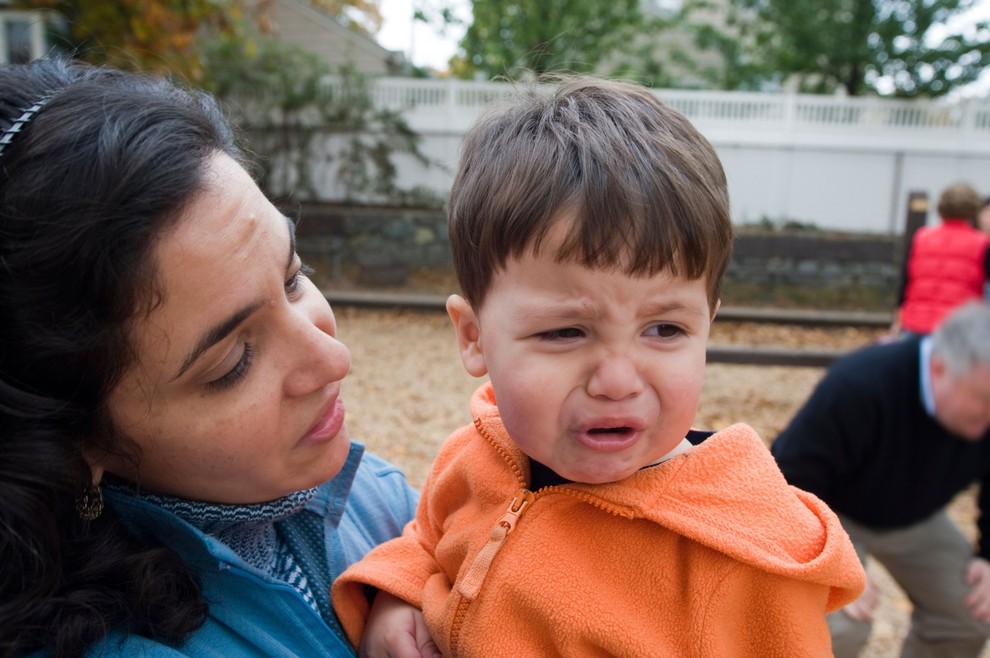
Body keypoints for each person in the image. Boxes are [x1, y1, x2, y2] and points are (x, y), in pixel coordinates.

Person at [331, 76, 865, 657]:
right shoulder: (471, 458)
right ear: (474, 338)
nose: (617, 381)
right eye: (565, 331)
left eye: (665, 329)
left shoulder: (739, 559)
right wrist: (397, 595)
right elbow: (429, 543)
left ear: (707, 325)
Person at [0, 57, 419, 657]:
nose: (333, 358)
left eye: (295, 277)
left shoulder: (369, 493)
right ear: (72, 443)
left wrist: (417, 571)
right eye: (233, 363)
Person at [771, 301, 990, 657]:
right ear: (939, 368)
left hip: (916, 515)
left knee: (970, 615)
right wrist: (831, 558)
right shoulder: (860, 384)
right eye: (983, 400)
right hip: (830, 511)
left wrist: (988, 557)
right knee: (838, 625)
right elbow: (787, 477)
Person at [891, 182, 990, 336]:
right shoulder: (982, 243)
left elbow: (906, 280)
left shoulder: (921, 237)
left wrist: (899, 318)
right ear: (973, 210)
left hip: (916, 323)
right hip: (958, 328)